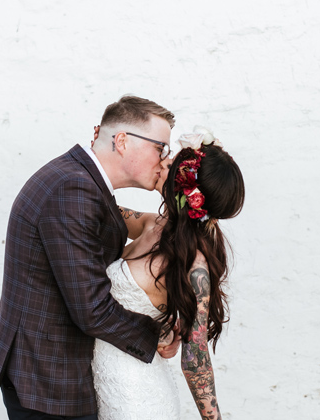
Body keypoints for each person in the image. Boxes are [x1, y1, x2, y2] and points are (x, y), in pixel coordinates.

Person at [0, 95, 181, 420]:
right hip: (47, 377)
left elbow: (137, 223)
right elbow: (93, 310)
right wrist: (157, 334)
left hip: (48, 369)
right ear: (123, 141)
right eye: (161, 148)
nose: (163, 159)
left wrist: (178, 201)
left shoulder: (81, 181)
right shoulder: (73, 189)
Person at [92, 127, 245, 420]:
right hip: (106, 384)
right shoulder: (154, 224)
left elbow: (195, 355)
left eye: (172, 161)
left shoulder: (193, 265)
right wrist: (100, 156)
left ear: (184, 184)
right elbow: (97, 207)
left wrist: (213, 419)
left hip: (136, 401)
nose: (164, 162)